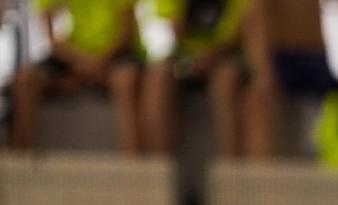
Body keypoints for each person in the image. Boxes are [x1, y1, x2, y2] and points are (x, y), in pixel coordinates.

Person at [9, 0, 144, 153]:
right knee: (24, 80)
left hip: (112, 57)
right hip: (68, 58)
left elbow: (126, 34)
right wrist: (79, 64)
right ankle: (22, 164)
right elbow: (51, 38)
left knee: (126, 80)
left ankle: (133, 167)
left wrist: (98, 64)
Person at [241, 0, 338, 158]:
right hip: (281, 57)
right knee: (258, 101)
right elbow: (254, 20)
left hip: (316, 56)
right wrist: (262, 72)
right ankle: (262, 174)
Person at [143, 0, 249, 156]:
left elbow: (238, 29)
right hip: (183, 59)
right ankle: (160, 163)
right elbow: (165, 32)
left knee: (227, 78)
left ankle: (231, 163)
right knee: (158, 76)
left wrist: (212, 55)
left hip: (222, 57)